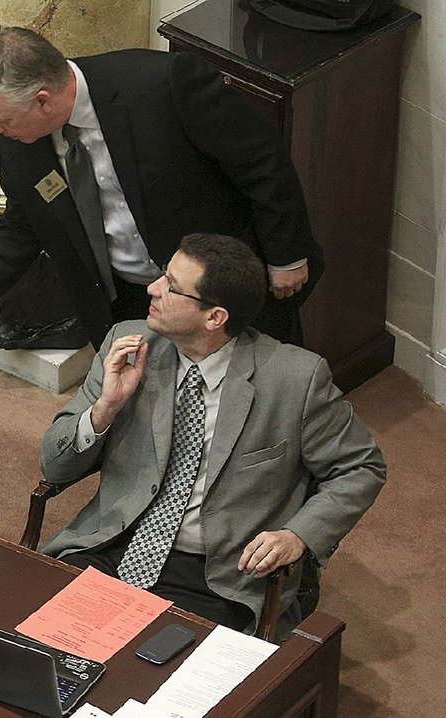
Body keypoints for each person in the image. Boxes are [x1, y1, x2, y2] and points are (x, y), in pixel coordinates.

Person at [39, 233, 384, 640]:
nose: (153, 288)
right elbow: (53, 465)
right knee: (47, 650)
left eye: (170, 284)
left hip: (214, 574)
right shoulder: (127, 344)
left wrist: (298, 535)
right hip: (113, 542)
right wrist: (104, 409)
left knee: (162, 685)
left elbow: (361, 467)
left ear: (214, 317)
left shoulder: (295, 379)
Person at [0, 26, 323, 349]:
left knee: (260, 411)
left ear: (43, 101)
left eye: (1, 120)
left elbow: (261, 162)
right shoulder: (14, 139)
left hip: (218, 289)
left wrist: (286, 255)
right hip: (126, 303)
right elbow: (22, 222)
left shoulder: (164, 85)